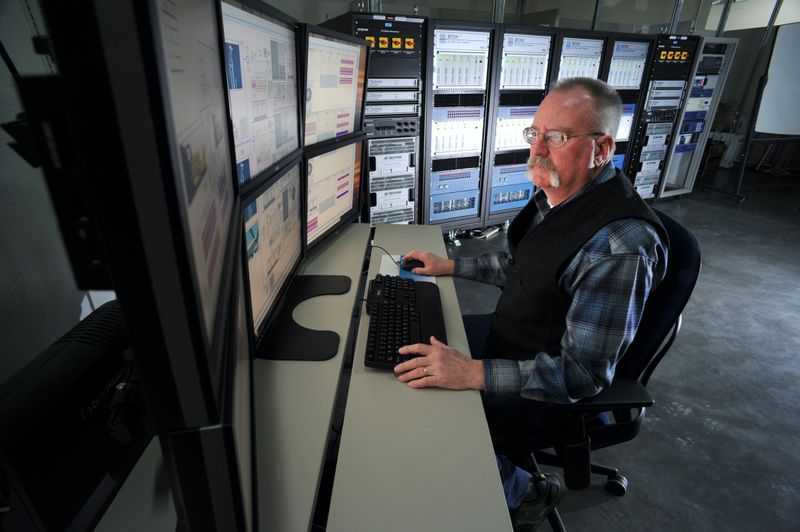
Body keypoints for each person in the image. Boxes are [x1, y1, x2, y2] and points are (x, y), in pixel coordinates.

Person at [396, 77, 669, 530]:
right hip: (517, 337)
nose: (537, 149)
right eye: (534, 133)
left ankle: (526, 490)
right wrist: (452, 267)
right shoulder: (560, 197)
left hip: (548, 383)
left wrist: (472, 373)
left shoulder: (619, 246)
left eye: (556, 137)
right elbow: (527, 265)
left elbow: (581, 375)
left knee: (421, 410)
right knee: (412, 347)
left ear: (601, 149)